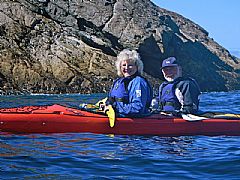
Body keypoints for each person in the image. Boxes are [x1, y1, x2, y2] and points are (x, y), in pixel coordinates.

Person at [104, 49, 153, 117]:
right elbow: (110, 100)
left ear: (137, 67)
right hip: (116, 115)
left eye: (130, 65)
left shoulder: (138, 82)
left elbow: (137, 108)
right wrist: (106, 105)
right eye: (124, 65)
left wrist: (116, 108)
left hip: (133, 120)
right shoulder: (117, 82)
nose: (126, 68)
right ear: (120, 67)